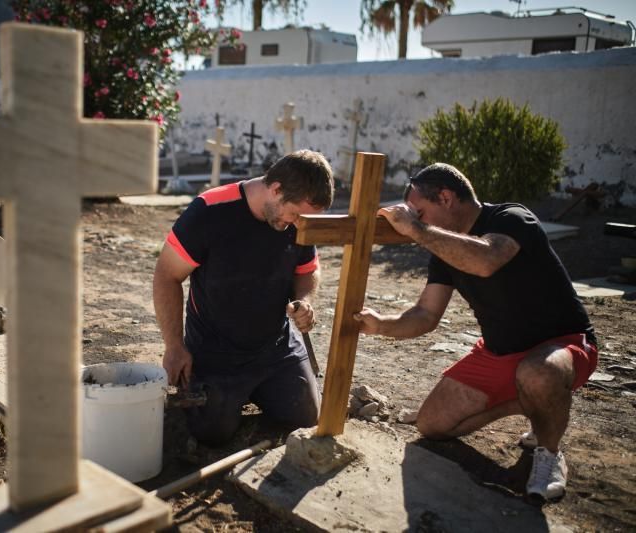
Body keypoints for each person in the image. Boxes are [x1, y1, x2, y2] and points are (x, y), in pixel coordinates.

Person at [353, 163, 597, 502]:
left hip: (562, 346)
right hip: (499, 352)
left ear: (447, 198)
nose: (418, 221)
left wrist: (417, 230)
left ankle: (549, 454)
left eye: (422, 212)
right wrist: (381, 325)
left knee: (539, 373)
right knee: (432, 425)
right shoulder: (443, 249)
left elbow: (486, 260)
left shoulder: (512, 218)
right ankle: (530, 405)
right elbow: (426, 314)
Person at [153, 150, 334, 446]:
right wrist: (174, 346)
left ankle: (254, 391)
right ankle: (234, 397)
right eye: (296, 215)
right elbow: (167, 275)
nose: (299, 225)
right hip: (215, 351)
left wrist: (305, 299)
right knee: (212, 432)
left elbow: (307, 270)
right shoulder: (210, 210)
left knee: (305, 418)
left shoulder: (298, 222)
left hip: (276, 348)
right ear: (276, 189)